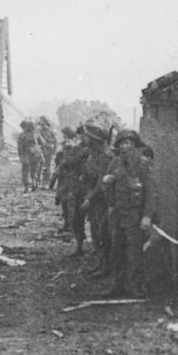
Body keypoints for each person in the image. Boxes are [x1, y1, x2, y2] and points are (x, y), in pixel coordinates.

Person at [101, 129, 157, 298]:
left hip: (134, 214)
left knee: (134, 253)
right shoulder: (115, 163)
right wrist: (106, 182)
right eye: (122, 143)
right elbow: (107, 187)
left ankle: (136, 286)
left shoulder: (142, 163)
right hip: (118, 213)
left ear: (134, 145)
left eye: (128, 143)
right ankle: (118, 285)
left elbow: (151, 191)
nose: (125, 147)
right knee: (116, 250)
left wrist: (147, 215)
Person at [75, 122, 113, 259]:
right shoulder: (93, 154)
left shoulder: (104, 156)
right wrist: (84, 176)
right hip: (93, 195)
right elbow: (90, 172)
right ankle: (100, 260)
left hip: (101, 199)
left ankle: (105, 262)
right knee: (95, 229)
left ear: (93, 138)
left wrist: (90, 199)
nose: (83, 139)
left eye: (86, 136)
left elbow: (102, 182)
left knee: (102, 231)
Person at [51, 125, 82, 233]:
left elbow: (68, 162)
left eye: (65, 135)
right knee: (64, 202)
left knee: (70, 203)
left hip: (71, 178)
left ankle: (71, 225)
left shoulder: (73, 148)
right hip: (63, 178)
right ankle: (67, 224)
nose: (64, 138)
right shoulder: (63, 147)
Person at [17, 119, 44, 192]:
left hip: (25, 155)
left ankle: (26, 187)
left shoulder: (22, 135)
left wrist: (20, 156)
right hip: (35, 154)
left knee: (25, 171)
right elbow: (43, 143)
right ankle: (34, 184)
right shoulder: (36, 134)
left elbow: (19, 147)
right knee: (34, 170)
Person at [36, 117, 57, 188]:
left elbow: (55, 142)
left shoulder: (51, 132)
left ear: (47, 124)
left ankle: (46, 183)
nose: (42, 126)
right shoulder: (40, 132)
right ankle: (37, 181)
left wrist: (54, 153)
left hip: (49, 151)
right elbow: (37, 142)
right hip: (41, 151)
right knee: (39, 166)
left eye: (43, 124)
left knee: (47, 167)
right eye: (41, 124)